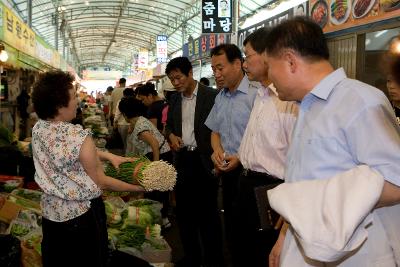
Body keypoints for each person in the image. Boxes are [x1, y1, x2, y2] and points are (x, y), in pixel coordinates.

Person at [265, 17, 400, 267]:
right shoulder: (306, 107)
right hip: (310, 247)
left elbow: (396, 180)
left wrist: (316, 205)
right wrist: (285, 236)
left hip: (357, 255)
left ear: (290, 61)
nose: (270, 78)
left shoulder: (360, 101)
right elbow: (303, 181)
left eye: (270, 67)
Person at [30, 71, 144, 267]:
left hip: (51, 216)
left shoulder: (39, 129)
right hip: (80, 218)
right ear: (59, 105)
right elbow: (100, 180)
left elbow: (65, 152)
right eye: (74, 97)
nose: (77, 101)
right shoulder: (79, 136)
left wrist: (107, 154)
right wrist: (140, 188)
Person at [227, 28, 298, 267]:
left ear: (268, 55)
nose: (245, 63)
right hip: (246, 184)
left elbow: (295, 159)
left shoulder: (288, 99)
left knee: (264, 254)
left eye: (247, 56)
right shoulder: (261, 95)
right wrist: (240, 157)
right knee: (242, 249)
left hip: (272, 190)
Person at [165, 56, 223, 267]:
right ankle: (192, 257)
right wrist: (171, 136)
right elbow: (168, 126)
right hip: (183, 161)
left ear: (190, 73)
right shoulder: (174, 100)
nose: (176, 83)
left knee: (208, 215)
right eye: (172, 79)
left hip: (205, 161)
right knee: (185, 214)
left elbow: (220, 130)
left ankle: (214, 259)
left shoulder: (213, 96)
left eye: (179, 77)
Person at [205, 43, 258, 253]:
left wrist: (242, 157)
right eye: (213, 70)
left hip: (251, 172)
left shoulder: (256, 95)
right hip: (227, 172)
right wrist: (216, 151)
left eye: (220, 68)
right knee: (232, 227)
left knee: (251, 233)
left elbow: (262, 137)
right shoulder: (221, 97)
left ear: (237, 64)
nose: (216, 74)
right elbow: (214, 131)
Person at [113, 88, 134, 153]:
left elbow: (118, 113)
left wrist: (115, 122)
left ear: (124, 94)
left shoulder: (121, 101)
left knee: (125, 143)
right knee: (132, 143)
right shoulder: (135, 101)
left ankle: (126, 155)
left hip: (122, 125)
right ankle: (131, 156)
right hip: (133, 125)